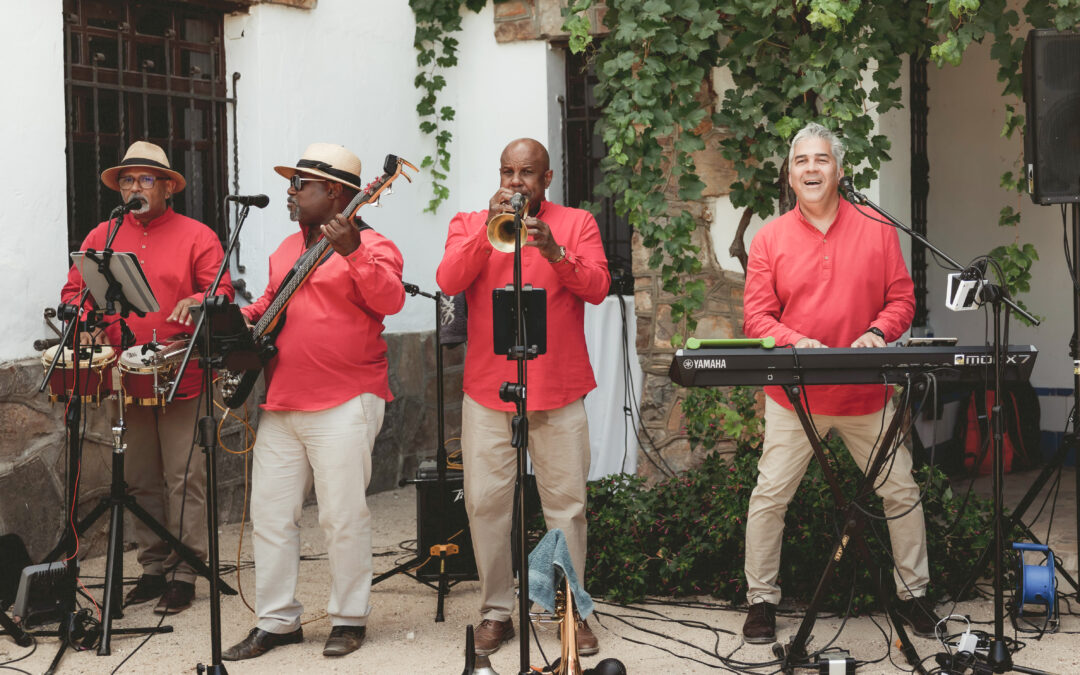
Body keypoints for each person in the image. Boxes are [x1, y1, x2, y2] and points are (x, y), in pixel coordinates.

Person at [740, 122, 941, 643]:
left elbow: (902, 300)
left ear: (839, 169)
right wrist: (795, 340)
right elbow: (757, 318)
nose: (811, 168)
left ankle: (914, 595)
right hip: (795, 398)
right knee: (770, 497)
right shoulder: (769, 238)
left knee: (901, 492)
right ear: (789, 174)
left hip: (868, 395)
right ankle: (760, 601)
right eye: (802, 161)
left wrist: (879, 331)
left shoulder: (877, 227)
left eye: (821, 160)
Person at [222, 143, 405, 661]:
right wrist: (228, 316)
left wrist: (351, 252)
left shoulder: (375, 244)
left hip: (346, 400)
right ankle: (277, 621)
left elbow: (390, 300)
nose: (291, 192)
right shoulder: (286, 248)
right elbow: (268, 306)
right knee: (272, 515)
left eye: (300, 184)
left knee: (342, 517)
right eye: (292, 183)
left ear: (337, 193)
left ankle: (349, 618)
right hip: (282, 402)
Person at [436, 138, 610, 656]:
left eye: (527, 173)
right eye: (507, 171)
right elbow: (448, 279)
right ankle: (496, 610)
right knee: (487, 506)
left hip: (558, 390)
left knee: (566, 508)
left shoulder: (576, 223)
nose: (516, 182)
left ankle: (569, 611)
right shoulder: (470, 223)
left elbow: (598, 287)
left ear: (547, 179)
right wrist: (484, 236)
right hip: (488, 392)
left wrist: (555, 251)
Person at [61, 140, 234, 614]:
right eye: (127, 180)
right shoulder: (103, 233)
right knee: (138, 477)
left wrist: (202, 300)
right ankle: (153, 568)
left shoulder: (197, 234)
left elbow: (220, 290)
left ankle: (186, 571)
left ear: (167, 188)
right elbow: (76, 291)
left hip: (181, 370)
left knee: (183, 475)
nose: (135, 187)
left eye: (145, 179)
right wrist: (80, 313)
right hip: (125, 373)